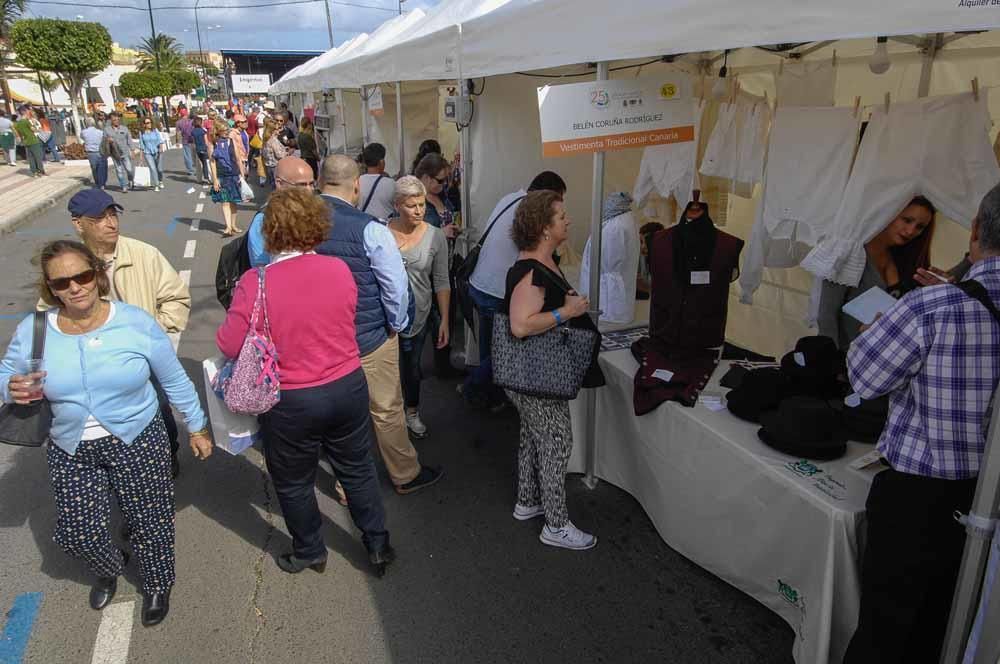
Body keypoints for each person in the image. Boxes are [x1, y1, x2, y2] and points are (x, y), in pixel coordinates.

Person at [1, 240, 210, 626]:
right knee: (76, 532)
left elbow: (173, 378)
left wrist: (196, 425)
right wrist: (8, 388)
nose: (74, 287)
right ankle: (111, 565)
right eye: (62, 283)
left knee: (151, 521)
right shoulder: (35, 330)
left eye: (82, 276)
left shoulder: (133, 321)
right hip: (69, 444)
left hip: (138, 437)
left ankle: (158, 583)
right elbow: (5, 375)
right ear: (51, 288)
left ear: (98, 275)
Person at [842, 183, 1000, 663]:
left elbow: (866, 379)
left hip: (922, 497)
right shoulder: (942, 299)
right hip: (988, 494)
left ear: (974, 229)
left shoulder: (931, 306)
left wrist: (877, 333)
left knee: (890, 630)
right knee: (959, 621)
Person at [216, 187, 395, 577]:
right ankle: (377, 543)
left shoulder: (255, 282)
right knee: (357, 468)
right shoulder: (339, 270)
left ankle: (310, 551)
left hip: (292, 399)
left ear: (270, 232)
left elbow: (228, 343)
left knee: (294, 479)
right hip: (347, 384)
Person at [316, 155, 444, 495]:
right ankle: (404, 474)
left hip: (319, 340)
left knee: (340, 417)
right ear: (356, 185)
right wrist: (396, 325)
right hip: (369, 336)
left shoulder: (298, 223)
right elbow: (395, 287)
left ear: (319, 182)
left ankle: (347, 484)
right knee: (386, 408)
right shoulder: (370, 229)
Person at [47, 189, 192, 477]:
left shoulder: (143, 255)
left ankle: (167, 455)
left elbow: (176, 298)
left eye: (113, 215)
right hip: (88, 364)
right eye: (100, 218)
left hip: (141, 362)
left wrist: (153, 335)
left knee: (159, 411)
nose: (111, 223)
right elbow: (46, 313)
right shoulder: (66, 263)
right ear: (78, 224)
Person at [504, 189, 601, 551]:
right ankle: (556, 526)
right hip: (536, 375)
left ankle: (528, 502)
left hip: (528, 373)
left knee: (533, 437)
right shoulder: (532, 272)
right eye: (561, 217)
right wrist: (568, 312)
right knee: (557, 443)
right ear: (545, 228)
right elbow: (520, 325)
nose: (568, 221)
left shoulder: (540, 263)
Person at [463, 171, 567, 409]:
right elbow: (535, 254)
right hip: (496, 289)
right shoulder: (531, 213)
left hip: (481, 282)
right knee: (502, 352)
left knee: (491, 347)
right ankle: (474, 387)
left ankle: (489, 394)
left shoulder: (510, 198)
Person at [817, 195, 936, 349]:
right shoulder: (849, 253)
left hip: (884, 362)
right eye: (907, 220)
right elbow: (827, 315)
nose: (911, 230)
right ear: (890, 213)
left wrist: (969, 260)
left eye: (920, 227)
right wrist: (830, 364)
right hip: (845, 359)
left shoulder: (905, 260)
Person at [388, 176, 451, 438]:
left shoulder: (435, 236)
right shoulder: (380, 231)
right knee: (389, 370)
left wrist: (445, 319)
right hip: (386, 316)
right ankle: (390, 417)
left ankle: (411, 412)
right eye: (411, 205)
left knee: (412, 368)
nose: (418, 211)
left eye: (422, 205)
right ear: (397, 205)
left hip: (419, 315)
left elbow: (441, 280)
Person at [579, 191, 641, 324]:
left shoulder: (616, 226)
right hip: (614, 292)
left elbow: (607, 263)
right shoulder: (625, 220)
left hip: (609, 303)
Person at [247, 156, 314, 267]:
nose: (309, 190)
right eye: (301, 185)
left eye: (311, 184)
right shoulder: (264, 220)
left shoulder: (315, 212)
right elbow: (261, 268)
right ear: (280, 183)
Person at [208, 123, 244, 236]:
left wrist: (242, 175)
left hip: (233, 174)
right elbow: (212, 163)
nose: (227, 132)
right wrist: (215, 180)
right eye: (224, 130)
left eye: (227, 129)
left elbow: (238, 159)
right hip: (221, 176)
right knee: (225, 202)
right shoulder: (213, 144)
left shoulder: (231, 141)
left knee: (233, 202)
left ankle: (233, 225)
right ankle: (228, 227)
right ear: (218, 131)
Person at [358, 142, 396, 220]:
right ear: (381, 162)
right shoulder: (391, 184)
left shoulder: (356, 182)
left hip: (363, 224)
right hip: (384, 226)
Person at [104, 112, 135, 193]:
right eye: (114, 120)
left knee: (129, 170)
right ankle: (123, 186)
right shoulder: (107, 130)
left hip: (125, 153)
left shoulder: (124, 128)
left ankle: (130, 180)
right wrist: (108, 140)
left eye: (118, 119)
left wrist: (132, 150)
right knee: (119, 171)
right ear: (111, 120)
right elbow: (103, 141)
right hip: (115, 154)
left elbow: (129, 140)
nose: (116, 121)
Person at [13, 106, 45, 177]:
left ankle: (34, 172)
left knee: (31, 158)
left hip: (26, 142)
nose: (28, 112)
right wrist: (38, 129)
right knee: (37, 156)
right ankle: (41, 170)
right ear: (24, 112)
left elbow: (19, 134)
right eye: (27, 111)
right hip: (33, 140)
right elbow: (33, 129)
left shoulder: (17, 124)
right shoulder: (26, 122)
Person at [637, 221, 665, 299]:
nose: (643, 246)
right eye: (641, 242)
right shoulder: (639, 259)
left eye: (646, 241)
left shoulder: (666, 261)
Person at [80, 117, 107, 189]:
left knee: (94, 169)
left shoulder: (83, 132)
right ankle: (102, 183)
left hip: (91, 153)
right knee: (102, 168)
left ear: (86, 124)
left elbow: (82, 138)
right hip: (100, 151)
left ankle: (98, 183)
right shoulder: (100, 132)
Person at [139, 118, 165, 191]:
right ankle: (156, 185)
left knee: (159, 169)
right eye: (147, 123)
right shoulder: (142, 133)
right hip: (148, 153)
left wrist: (161, 148)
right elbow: (141, 145)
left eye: (150, 122)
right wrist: (141, 158)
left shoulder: (155, 130)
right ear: (144, 125)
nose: (149, 124)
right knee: (153, 169)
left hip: (157, 151)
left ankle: (160, 181)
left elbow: (160, 140)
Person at [263, 117, 288, 189]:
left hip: (269, 166)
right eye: (277, 129)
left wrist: (283, 148)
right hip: (275, 166)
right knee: (277, 187)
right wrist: (287, 153)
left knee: (273, 186)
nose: (279, 131)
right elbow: (279, 155)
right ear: (272, 131)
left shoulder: (267, 139)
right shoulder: (273, 140)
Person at [190, 116, 211, 184]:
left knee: (199, 164)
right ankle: (207, 178)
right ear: (201, 123)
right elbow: (206, 141)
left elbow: (193, 142)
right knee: (206, 163)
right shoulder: (203, 131)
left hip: (197, 149)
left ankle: (199, 179)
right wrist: (209, 149)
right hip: (204, 149)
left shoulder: (193, 132)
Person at [175, 112, 195, 178]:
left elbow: (178, 133)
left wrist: (177, 141)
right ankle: (198, 168)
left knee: (187, 155)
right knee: (195, 155)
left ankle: (191, 170)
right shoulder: (192, 121)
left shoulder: (178, 122)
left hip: (185, 140)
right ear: (187, 114)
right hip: (194, 139)